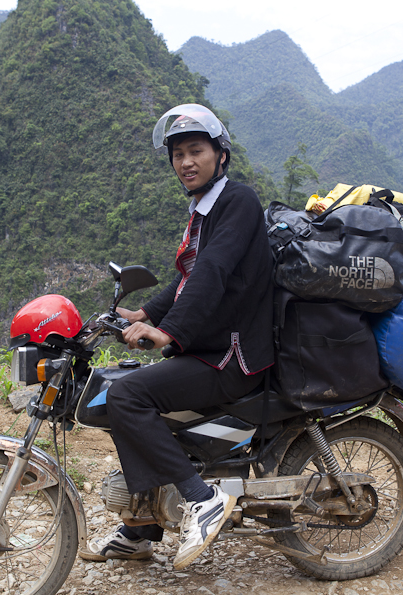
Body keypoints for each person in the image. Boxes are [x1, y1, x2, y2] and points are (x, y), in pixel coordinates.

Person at [79, 103, 274, 569]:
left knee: (127, 398)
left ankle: (201, 500)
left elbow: (212, 272)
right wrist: (143, 312)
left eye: (196, 150)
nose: (186, 162)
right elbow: (187, 278)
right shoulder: (204, 210)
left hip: (233, 355)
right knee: (119, 400)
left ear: (220, 155)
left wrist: (167, 332)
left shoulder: (238, 201)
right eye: (178, 154)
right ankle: (142, 528)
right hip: (211, 349)